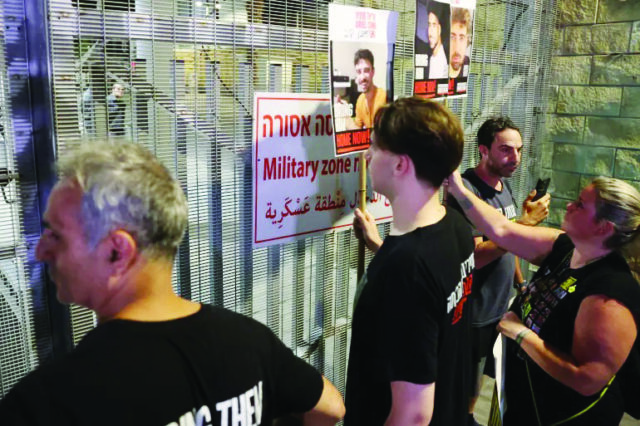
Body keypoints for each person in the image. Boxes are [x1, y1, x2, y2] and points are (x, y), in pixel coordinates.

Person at [0, 142, 345, 426]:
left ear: (117, 251)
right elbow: (331, 408)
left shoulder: (51, 403)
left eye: (56, 234)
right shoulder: (249, 340)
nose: (40, 250)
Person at [447, 172, 640, 425]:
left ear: (604, 227)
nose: (569, 205)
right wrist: (458, 189)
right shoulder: (564, 247)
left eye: (580, 204)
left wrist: (521, 334)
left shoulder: (610, 295)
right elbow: (502, 229)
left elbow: (586, 379)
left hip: (561, 416)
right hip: (523, 400)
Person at [347, 97, 475, 425]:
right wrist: (381, 248)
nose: (366, 156)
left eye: (374, 147)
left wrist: (391, 261)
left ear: (400, 165)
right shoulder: (456, 227)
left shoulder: (405, 269)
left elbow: (414, 415)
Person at [446, 117, 550, 426]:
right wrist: (525, 225)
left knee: (484, 376)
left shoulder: (504, 186)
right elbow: (475, 257)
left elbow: (510, 241)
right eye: (505, 149)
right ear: (483, 151)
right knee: (466, 380)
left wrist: (521, 283)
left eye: (519, 149)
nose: (515, 158)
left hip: (500, 303)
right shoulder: (466, 192)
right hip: (474, 307)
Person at [351, 49, 387, 129]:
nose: (362, 77)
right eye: (359, 72)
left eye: (366, 71)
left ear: (373, 72)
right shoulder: (360, 100)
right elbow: (358, 129)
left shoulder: (384, 97)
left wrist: (347, 120)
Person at [449, 7, 472, 80]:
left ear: (467, 41)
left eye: (461, 38)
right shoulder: (434, 67)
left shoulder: (471, 67)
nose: (457, 48)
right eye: (452, 37)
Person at [427, 4, 448, 79]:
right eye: (429, 25)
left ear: (439, 29)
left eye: (434, 25)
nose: (430, 32)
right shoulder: (433, 57)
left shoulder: (440, 60)